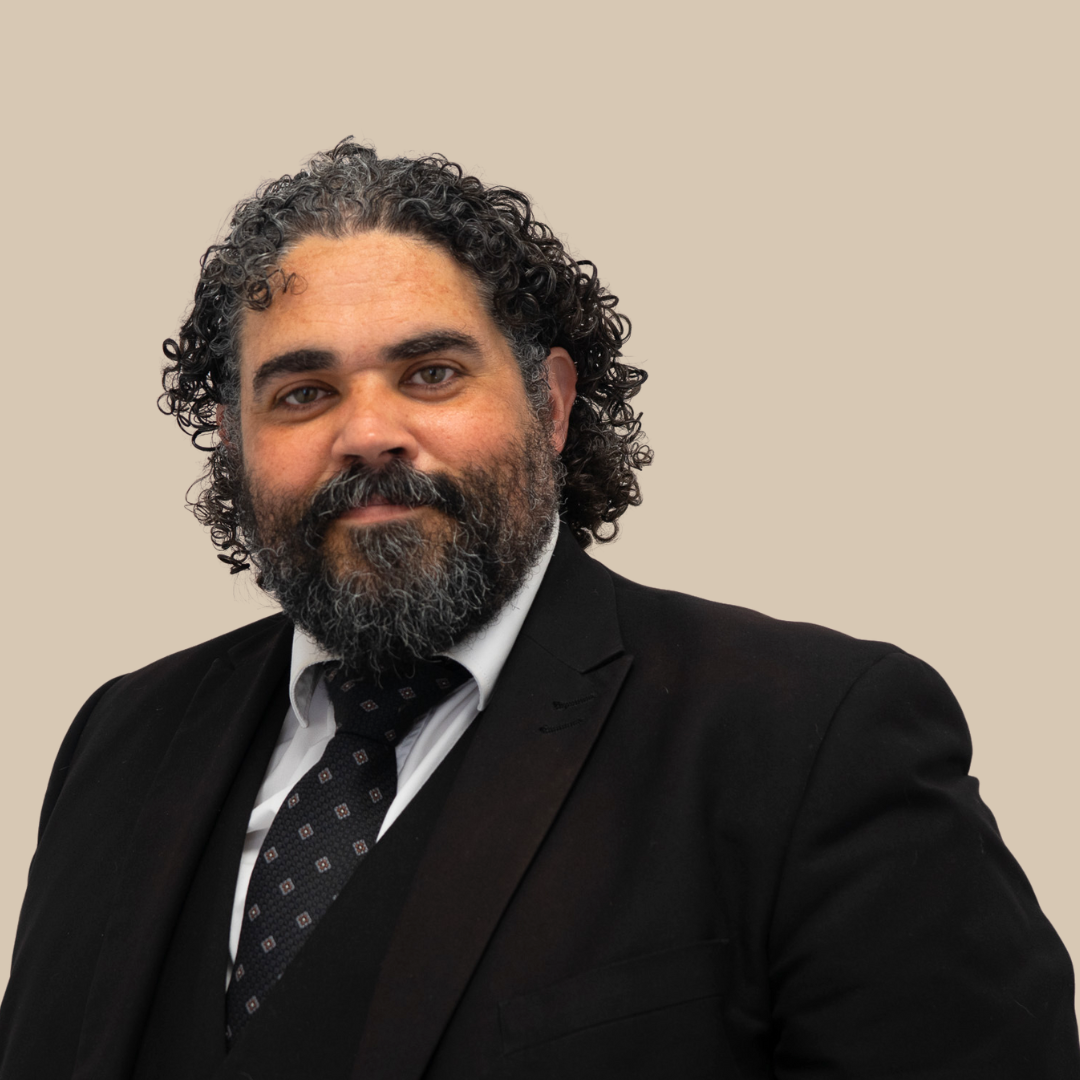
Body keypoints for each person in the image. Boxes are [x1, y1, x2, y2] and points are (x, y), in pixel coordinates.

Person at [1, 139, 1077, 1080]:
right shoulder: (118, 740)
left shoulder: (812, 739)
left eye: (430, 373)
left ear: (552, 405)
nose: (366, 433)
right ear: (236, 447)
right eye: (303, 393)